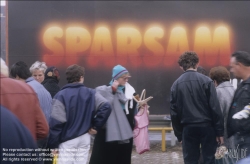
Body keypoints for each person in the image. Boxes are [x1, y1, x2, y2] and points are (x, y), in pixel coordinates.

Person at [47, 64, 111, 164]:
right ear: (81, 77)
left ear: (68, 78)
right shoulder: (91, 93)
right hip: (85, 137)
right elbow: (106, 106)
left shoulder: (61, 95)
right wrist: (95, 126)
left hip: (67, 139)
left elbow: (56, 122)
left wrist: (54, 145)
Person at [170, 51, 224, 164]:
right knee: (209, 159)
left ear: (181, 66)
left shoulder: (176, 85)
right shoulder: (207, 81)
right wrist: (219, 132)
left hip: (188, 128)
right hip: (207, 127)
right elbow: (215, 108)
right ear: (197, 63)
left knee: (190, 160)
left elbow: (174, 113)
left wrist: (179, 135)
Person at [89, 65, 138, 164]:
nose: (127, 80)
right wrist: (113, 91)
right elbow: (103, 107)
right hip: (107, 133)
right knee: (105, 158)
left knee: (122, 158)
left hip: (125, 133)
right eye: (124, 78)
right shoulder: (103, 90)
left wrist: (142, 110)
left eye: (128, 78)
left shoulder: (131, 92)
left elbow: (135, 109)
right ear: (116, 78)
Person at [0, 62, 49, 141]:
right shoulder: (43, 89)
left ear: (17, 76)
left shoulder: (27, 88)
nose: (37, 78)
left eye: (40, 75)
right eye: (35, 75)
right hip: (37, 138)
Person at [10, 61, 52, 149]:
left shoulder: (26, 89)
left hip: (31, 137)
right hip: (44, 136)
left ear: (17, 76)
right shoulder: (45, 90)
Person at [209, 66, 235, 163]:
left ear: (214, 80)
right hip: (236, 136)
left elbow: (216, 116)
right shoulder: (236, 90)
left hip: (222, 137)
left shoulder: (217, 92)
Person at [227, 51, 250, 159]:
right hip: (240, 138)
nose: (231, 70)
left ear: (239, 65)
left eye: (232, 67)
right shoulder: (242, 84)